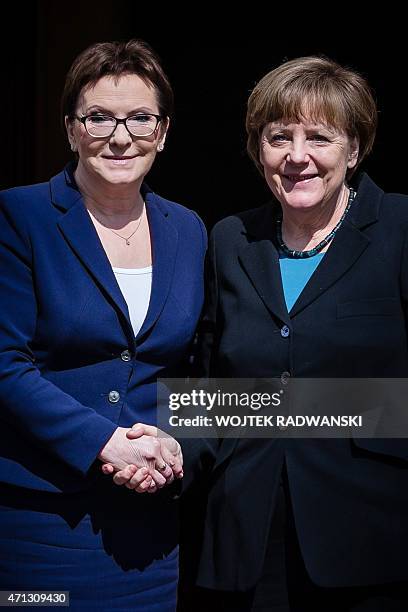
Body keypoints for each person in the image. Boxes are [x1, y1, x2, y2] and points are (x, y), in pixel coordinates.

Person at [185, 56, 408, 610]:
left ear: (354, 150)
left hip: (371, 544)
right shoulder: (230, 239)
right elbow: (210, 388)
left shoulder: (401, 229)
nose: (297, 156)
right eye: (278, 136)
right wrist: (169, 452)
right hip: (245, 543)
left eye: (320, 137)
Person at [0, 39, 207, 611]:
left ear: (162, 132)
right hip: (41, 523)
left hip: (148, 529)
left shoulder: (189, 230)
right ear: (71, 129)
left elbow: (193, 366)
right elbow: (5, 364)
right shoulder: (21, 216)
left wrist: (173, 440)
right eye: (99, 118)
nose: (121, 137)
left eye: (140, 118)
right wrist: (103, 443)